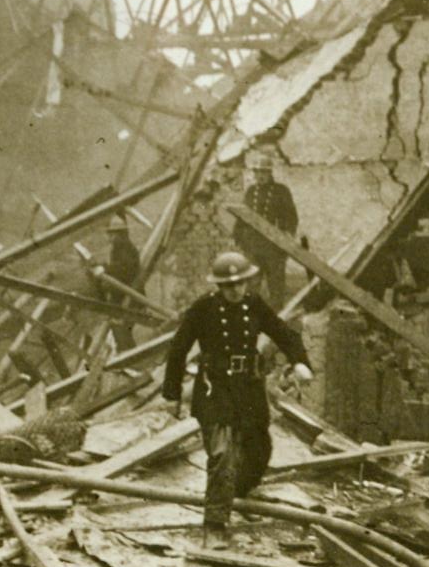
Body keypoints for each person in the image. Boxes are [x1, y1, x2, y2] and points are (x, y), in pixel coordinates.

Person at [162, 251, 313, 547]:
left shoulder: (254, 305)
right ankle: (215, 525)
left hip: (248, 388)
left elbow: (284, 334)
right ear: (219, 286)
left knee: (259, 450)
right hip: (215, 389)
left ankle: (237, 495)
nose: (236, 290)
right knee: (221, 454)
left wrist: (299, 361)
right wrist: (172, 394)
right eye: (229, 285)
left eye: (241, 283)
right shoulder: (203, 308)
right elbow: (178, 349)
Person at [233, 153, 298, 309]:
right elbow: (243, 217)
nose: (260, 176)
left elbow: (291, 215)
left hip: (273, 246)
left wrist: (287, 234)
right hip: (252, 245)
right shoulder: (250, 191)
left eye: (263, 172)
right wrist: (238, 237)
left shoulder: (281, 191)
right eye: (257, 172)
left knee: (275, 284)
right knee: (251, 284)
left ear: (270, 173)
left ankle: (277, 317)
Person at [92, 214, 142, 350]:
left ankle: (130, 360)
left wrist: (105, 268)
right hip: (123, 295)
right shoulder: (120, 247)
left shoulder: (126, 248)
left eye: (113, 234)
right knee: (120, 332)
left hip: (129, 296)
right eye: (110, 234)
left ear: (121, 234)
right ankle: (129, 358)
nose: (110, 238)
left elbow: (125, 269)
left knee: (121, 330)